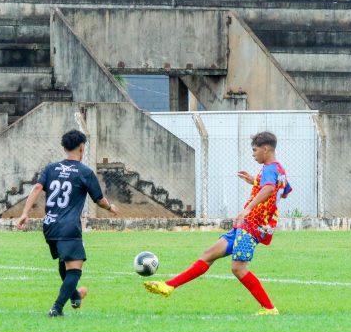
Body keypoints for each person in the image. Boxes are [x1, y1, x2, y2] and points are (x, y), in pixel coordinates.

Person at [143, 131, 292, 316]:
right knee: (208, 254)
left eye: (255, 150)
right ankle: (169, 286)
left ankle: (269, 308)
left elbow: (270, 189)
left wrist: (248, 208)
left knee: (238, 268)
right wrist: (254, 181)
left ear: (266, 149)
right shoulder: (279, 170)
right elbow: (283, 191)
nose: (253, 154)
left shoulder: (270, 168)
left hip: (253, 225)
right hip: (247, 225)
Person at [16, 129, 119, 317]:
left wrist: (24, 212)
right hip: (69, 226)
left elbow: (37, 187)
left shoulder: (50, 168)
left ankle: (75, 296)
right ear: (82, 147)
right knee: (74, 271)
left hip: (49, 225)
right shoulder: (85, 172)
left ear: (64, 147)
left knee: (65, 265)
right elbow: (99, 199)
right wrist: (110, 207)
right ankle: (56, 308)